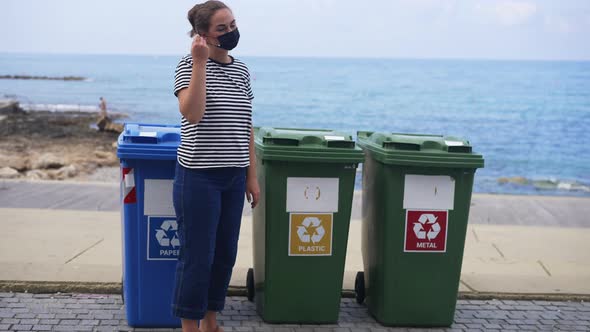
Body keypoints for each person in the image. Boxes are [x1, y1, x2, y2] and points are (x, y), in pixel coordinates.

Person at [171, 2, 259, 332]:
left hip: (234, 176)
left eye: (232, 24)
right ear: (202, 34)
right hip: (198, 176)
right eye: (222, 28)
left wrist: (252, 176)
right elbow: (192, 113)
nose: (231, 32)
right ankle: (189, 327)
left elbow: (246, 123)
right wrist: (198, 62)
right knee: (197, 257)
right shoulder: (187, 66)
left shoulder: (242, 70)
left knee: (224, 255)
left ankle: (211, 322)